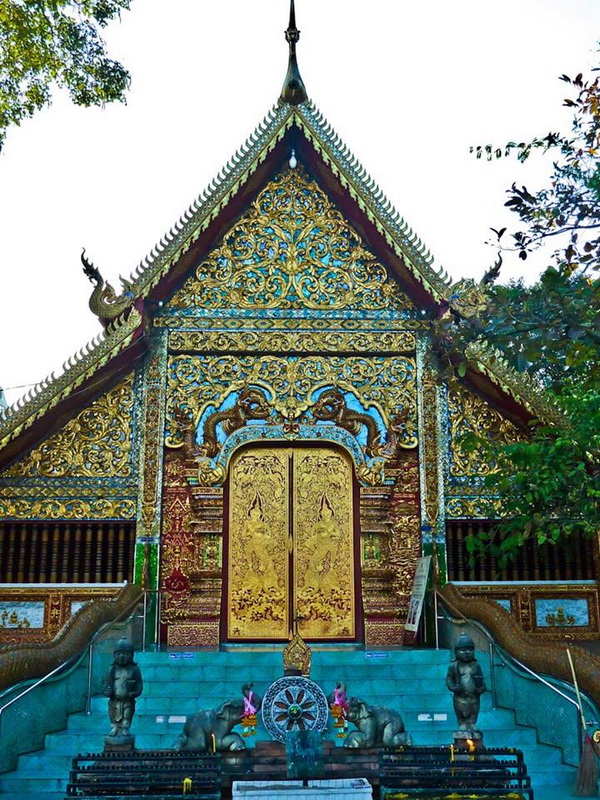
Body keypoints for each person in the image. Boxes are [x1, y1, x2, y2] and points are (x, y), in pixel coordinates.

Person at [103, 637, 143, 738]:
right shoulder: (112, 669)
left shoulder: (135, 669)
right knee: (113, 713)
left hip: (128, 700)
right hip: (114, 700)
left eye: (125, 654)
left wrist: (135, 692)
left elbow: (139, 684)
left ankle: (125, 727)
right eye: (119, 654)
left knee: (127, 714)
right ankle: (114, 727)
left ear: (131, 655)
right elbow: (106, 683)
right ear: (114, 655)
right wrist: (107, 691)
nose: (122, 656)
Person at [446, 632, 486, 731]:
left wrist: (481, 687)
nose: (467, 652)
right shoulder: (454, 666)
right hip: (460, 696)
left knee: (474, 710)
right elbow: (449, 678)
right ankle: (462, 722)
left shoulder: (476, 666)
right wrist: (453, 687)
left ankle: (472, 723)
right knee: (460, 710)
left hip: (474, 696)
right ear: (456, 652)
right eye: (463, 650)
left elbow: (481, 679)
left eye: (470, 650)